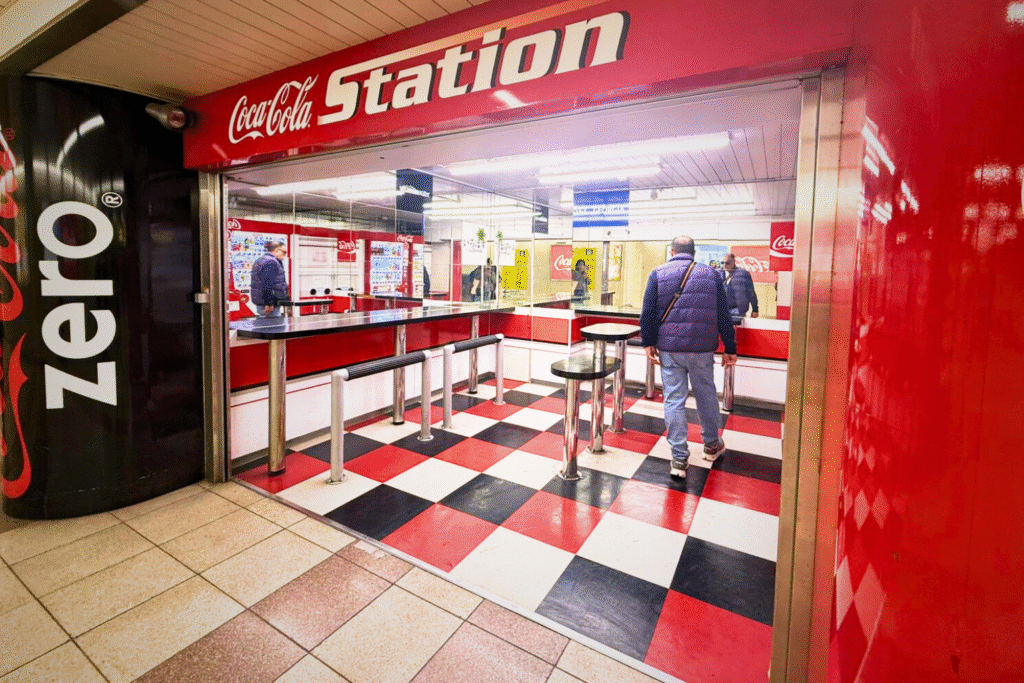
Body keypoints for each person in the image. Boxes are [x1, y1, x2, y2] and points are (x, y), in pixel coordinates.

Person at [640, 236, 737, 479]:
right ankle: (711, 444)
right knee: (705, 393)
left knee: (673, 398)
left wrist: (648, 342)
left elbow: (648, 312)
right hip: (703, 346)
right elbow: (723, 314)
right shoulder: (713, 275)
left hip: (671, 347)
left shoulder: (657, 273)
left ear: (672, 251)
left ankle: (679, 459)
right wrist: (730, 347)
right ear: (693, 253)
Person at [250, 240, 289, 317]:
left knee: (263, 325)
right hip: (269, 304)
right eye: (284, 252)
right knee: (273, 326)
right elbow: (267, 283)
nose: (285, 255)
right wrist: (269, 303)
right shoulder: (271, 262)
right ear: (277, 250)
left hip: (263, 301)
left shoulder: (261, 260)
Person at [721, 252, 759, 318]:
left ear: (733, 262)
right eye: (722, 263)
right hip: (722, 309)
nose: (724, 265)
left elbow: (751, 292)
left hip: (738, 310)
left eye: (727, 263)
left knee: (737, 327)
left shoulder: (743, 273)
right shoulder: (719, 273)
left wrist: (755, 309)